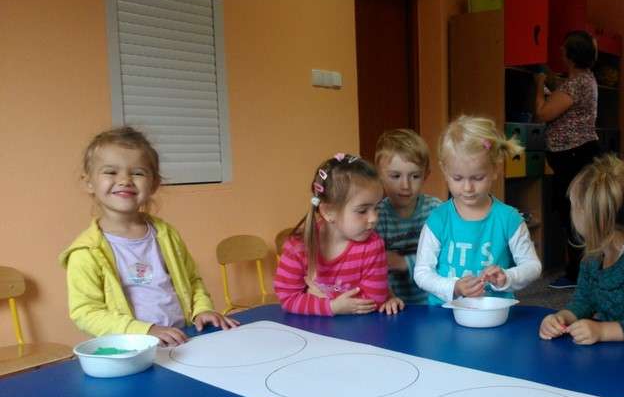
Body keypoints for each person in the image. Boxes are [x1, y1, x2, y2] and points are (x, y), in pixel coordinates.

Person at [60, 127, 238, 347]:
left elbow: (192, 281)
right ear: (88, 182)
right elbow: (86, 312)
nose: (125, 180)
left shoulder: (166, 234)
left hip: (182, 340)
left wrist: (202, 310)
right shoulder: (85, 251)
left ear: (153, 184)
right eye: (111, 172)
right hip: (131, 350)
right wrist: (145, 331)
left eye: (137, 173)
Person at [539, 156, 624, 344]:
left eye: (574, 205)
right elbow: (584, 300)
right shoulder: (593, 256)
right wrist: (562, 317)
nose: (571, 212)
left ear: (596, 217)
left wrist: (603, 331)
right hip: (616, 349)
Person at [414, 115, 542, 303]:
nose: (468, 188)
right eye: (458, 178)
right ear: (445, 172)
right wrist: (454, 287)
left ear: (495, 169)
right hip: (444, 312)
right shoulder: (438, 219)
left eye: (477, 178)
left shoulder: (509, 218)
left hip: (493, 311)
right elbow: (422, 272)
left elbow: (532, 266)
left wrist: (506, 277)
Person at [274, 153, 402, 316]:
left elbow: (373, 300)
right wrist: (332, 307)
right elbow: (287, 298)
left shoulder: (373, 245)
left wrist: (324, 300)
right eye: (362, 210)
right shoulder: (297, 247)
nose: (374, 218)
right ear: (328, 212)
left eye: (376, 208)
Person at [535, 30, 600, 290]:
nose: (561, 53)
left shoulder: (576, 84)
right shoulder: (585, 79)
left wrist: (539, 85)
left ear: (570, 56)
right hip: (577, 154)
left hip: (573, 155)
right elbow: (563, 95)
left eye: (563, 50)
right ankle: (582, 272)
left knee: (572, 213)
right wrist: (553, 80)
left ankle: (576, 274)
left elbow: (543, 113)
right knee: (576, 211)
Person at [374, 129, 442, 304]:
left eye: (415, 176)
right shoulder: (375, 217)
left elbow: (447, 257)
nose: (405, 185)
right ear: (379, 176)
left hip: (433, 302)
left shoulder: (436, 210)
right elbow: (372, 266)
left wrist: (404, 262)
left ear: (426, 176)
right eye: (395, 176)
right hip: (391, 304)